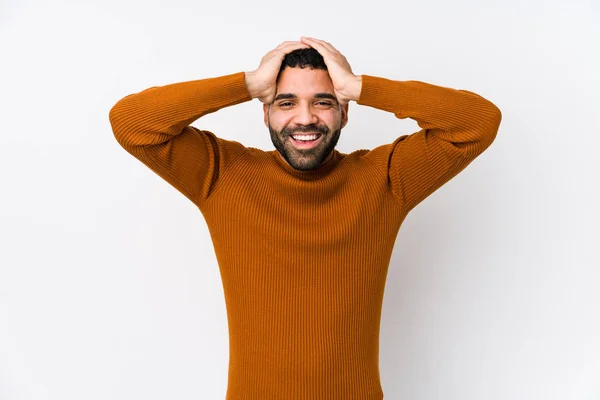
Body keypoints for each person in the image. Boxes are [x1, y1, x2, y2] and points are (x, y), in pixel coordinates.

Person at [109, 36, 502, 399]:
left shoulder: (385, 180)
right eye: (286, 102)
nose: (305, 118)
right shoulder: (222, 175)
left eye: (323, 101)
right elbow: (132, 123)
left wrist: (361, 86)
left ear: (344, 113)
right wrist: (244, 84)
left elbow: (477, 123)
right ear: (265, 112)